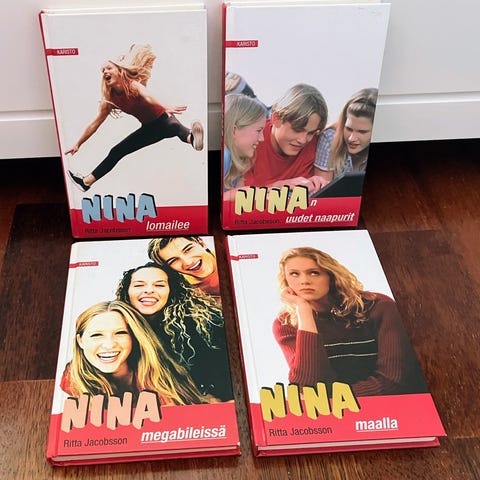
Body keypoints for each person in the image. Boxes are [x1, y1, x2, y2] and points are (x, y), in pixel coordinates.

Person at [272, 246, 428, 397]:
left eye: (314, 273)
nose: (304, 281)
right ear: (286, 281)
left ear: (331, 276)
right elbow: (308, 387)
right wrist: (303, 310)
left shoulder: (379, 307)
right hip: (337, 409)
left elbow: (393, 381)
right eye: (294, 274)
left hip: (394, 406)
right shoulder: (285, 325)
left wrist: (331, 400)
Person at [65, 44, 204, 192]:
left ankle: (193, 139)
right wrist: (78, 143)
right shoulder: (110, 100)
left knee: (174, 127)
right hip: (149, 129)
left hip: (164, 118)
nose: (105, 71)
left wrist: (165, 107)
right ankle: (86, 182)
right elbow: (95, 124)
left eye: (109, 68)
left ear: (119, 70)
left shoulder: (133, 85)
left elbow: (148, 97)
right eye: (103, 70)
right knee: (117, 151)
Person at [116, 262, 234, 402]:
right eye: (139, 285)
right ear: (127, 291)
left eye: (159, 285)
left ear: (171, 291)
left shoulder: (201, 326)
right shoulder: (116, 326)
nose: (149, 290)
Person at [62, 300, 211, 405]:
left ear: (134, 337)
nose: (109, 344)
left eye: (120, 333)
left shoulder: (158, 376)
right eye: (96, 335)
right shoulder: (70, 380)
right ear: (80, 341)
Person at [243, 83, 330, 193]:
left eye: (311, 133)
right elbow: (236, 195)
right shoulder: (250, 141)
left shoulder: (318, 143)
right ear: (276, 119)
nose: (303, 140)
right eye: (297, 129)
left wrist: (316, 184)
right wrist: (278, 186)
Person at [314, 88, 378, 182]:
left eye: (362, 132)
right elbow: (322, 188)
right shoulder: (330, 138)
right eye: (348, 129)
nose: (351, 138)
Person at [147, 236, 220, 300]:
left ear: (201, 243)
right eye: (174, 260)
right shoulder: (186, 292)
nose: (188, 262)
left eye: (188, 249)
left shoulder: (226, 253)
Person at [223, 94, 267, 198]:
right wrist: (231, 195)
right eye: (258, 131)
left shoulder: (235, 160)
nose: (262, 138)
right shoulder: (224, 157)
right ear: (234, 131)